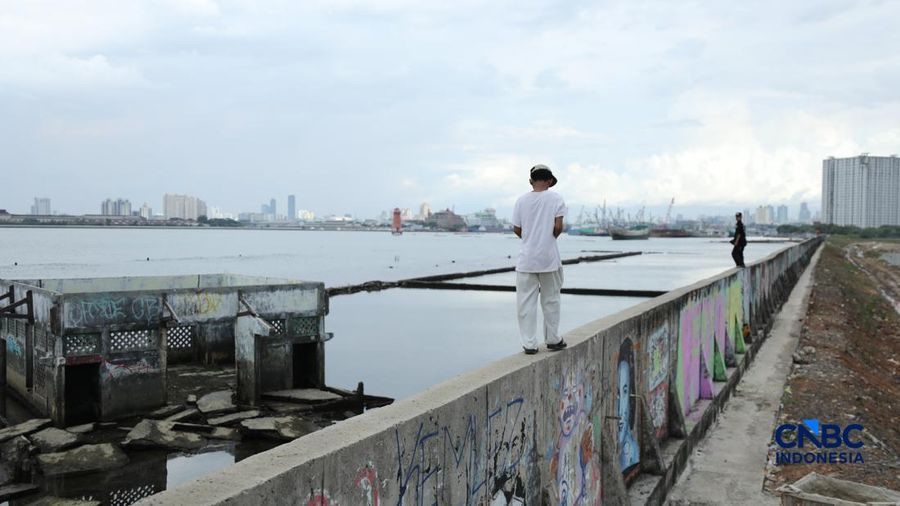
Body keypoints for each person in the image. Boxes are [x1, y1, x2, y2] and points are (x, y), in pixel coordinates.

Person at [512, 164, 567, 354]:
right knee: (551, 300)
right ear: (550, 181)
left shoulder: (521, 201)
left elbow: (517, 228)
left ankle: (529, 344)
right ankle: (552, 339)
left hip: (526, 259)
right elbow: (558, 226)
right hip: (549, 258)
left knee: (525, 303)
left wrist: (530, 240)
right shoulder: (556, 198)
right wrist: (547, 237)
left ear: (530, 181)